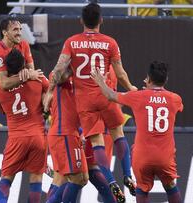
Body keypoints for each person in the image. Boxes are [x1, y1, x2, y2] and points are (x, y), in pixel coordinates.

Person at [43, 3, 137, 202]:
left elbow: (58, 71)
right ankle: (127, 173)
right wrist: (131, 89)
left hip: (85, 105)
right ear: (101, 20)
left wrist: (51, 90)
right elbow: (120, 74)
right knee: (118, 134)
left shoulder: (72, 43)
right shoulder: (110, 44)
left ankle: (111, 181)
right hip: (105, 98)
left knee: (92, 152)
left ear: (81, 21)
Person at [91, 61, 184, 203]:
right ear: (165, 79)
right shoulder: (175, 99)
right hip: (165, 156)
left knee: (141, 188)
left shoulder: (137, 96)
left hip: (142, 156)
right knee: (170, 185)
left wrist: (100, 82)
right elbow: (174, 106)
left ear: (149, 79)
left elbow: (111, 95)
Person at [0, 49, 48, 203]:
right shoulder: (38, 79)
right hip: (38, 137)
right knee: (36, 179)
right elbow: (51, 93)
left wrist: (5, 108)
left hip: (17, 138)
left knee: (6, 179)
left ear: (6, 67)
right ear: (23, 65)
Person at [45, 70, 89, 203]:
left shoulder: (82, 79)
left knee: (78, 178)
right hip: (63, 134)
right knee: (77, 178)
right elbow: (59, 76)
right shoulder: (58, 74)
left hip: (70, 133)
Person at [0, 16, 43, 89]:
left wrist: (27, 72)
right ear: (4, 32)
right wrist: (27, 76)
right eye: (15, 30)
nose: (20, 33)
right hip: (2, 94)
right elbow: (4, 84)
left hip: (20, 89)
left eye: (20, 29)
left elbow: (31, 70)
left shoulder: (24, 44)